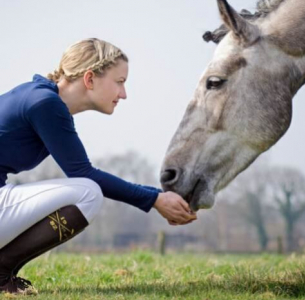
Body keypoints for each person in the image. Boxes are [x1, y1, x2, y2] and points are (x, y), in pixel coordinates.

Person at [0, 38, 197, 295]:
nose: (124, 94)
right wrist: (155, 199)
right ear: (90, 79)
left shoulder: (41, 98)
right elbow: (82, 173)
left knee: (85, 189)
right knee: (88, 192)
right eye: (120, 82)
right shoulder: (44, 103)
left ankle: (5, 272)